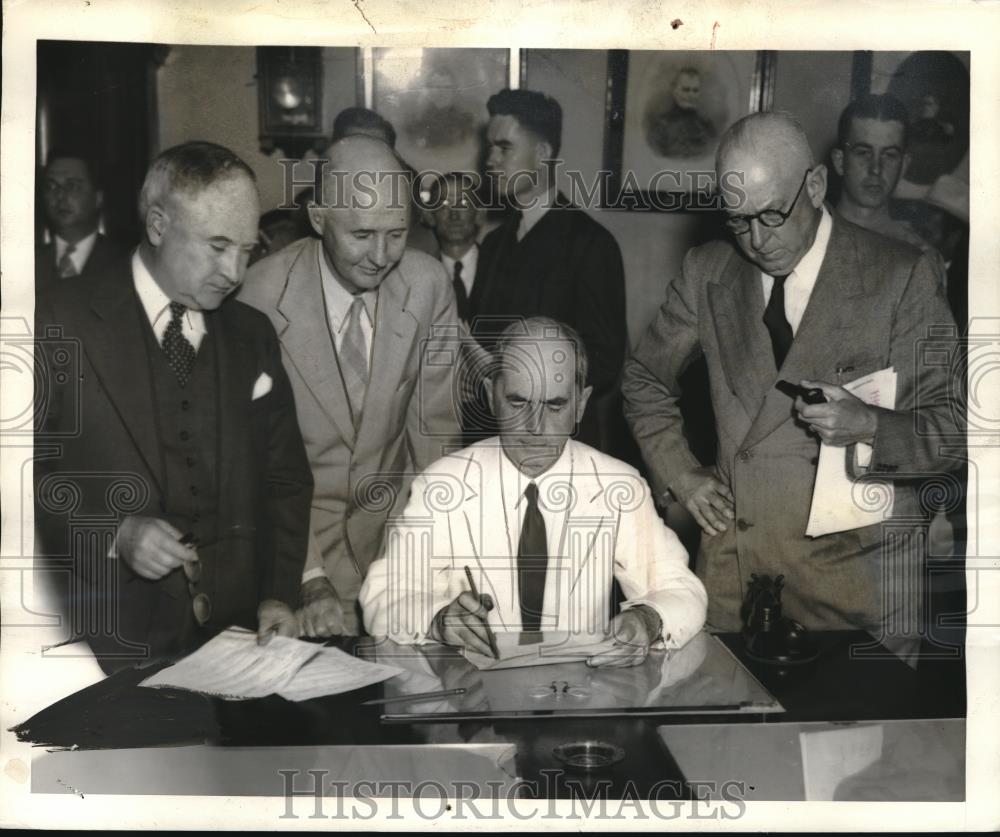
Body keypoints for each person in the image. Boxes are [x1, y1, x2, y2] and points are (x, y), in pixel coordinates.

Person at [622, 112, 963, 662]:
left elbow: (955, 432)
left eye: (773, 215)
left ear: (815, 186)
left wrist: (871, 426)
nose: (757, 240)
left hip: (855, 589)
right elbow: (643, 380)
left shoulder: (901, 276)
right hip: (736, 580)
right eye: (738, 221)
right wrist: (681, 474)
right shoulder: (707, 272)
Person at [34, 141, 313, 673]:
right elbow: (18, 480)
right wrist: (114, 531)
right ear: (158, 225)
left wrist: (279, 595)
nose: (234, 272)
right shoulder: (58, 322)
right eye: (217, 246)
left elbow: (286, 481)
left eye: (247, 249)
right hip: (104, 644)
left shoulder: (252, 334)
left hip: (238, 642)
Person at [360, 317, 707, 666]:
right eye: (517, 402)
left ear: (581, 405)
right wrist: (437, 620)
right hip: (474, 699)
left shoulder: (619, 485)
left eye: (554, 406)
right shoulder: (443, 485)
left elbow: (682, 590)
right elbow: (382, 595)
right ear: (490, 395)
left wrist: (647, 620)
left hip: (582, 694)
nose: (534, 426)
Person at [239, 135, 463, 637]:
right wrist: (308, 577)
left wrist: (435, 561)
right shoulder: (258, 297)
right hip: (293, 554)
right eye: (362, 235)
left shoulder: (427, 287)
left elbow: (436, 438)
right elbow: (255, 463)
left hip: (397, 553)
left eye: (397, 234)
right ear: (319, 218)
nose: (381, 257)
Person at [473, 88, 627, 451]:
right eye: (489, 147)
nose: (490, 160)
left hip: (559, 444)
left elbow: (604, 362)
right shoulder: (495, 243)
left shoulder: (591, 244)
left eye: (504, 147)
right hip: (493, 438)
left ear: (542, 154)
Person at [831, 94, 930, 251]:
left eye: (890, 155)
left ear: (903, 165)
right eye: (863, 153)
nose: (876, 169)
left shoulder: (918, 255)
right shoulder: (806, 242)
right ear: (839, 161)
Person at [36, 148, 129, 292]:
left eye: (72, 186)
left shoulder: (124, 265)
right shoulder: (27, 263)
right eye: (51, 186)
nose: (60, 196)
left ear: (98, 198)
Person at [644, 66, 717, 159]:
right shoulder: (660, 126)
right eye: (686, 89)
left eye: (695, 90)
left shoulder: (708, 128)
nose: (691, 95)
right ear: (674, 91)